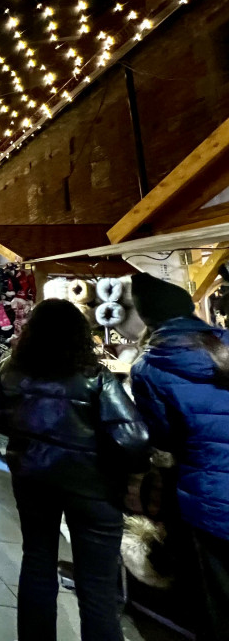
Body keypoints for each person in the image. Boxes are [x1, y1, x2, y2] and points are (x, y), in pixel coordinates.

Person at [0, 299, 149, 641]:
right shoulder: (95, 379)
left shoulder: (12, 371)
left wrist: (25, 435)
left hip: (34, 480)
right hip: (93, 488)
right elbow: (133, 436)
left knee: (37, 563)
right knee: (97, 587)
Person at [128, 273, 229, 640]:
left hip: (208, 495)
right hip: (212, 490)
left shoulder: (150, 368)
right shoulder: (225, 345)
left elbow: (162, 438)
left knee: (218, 600)